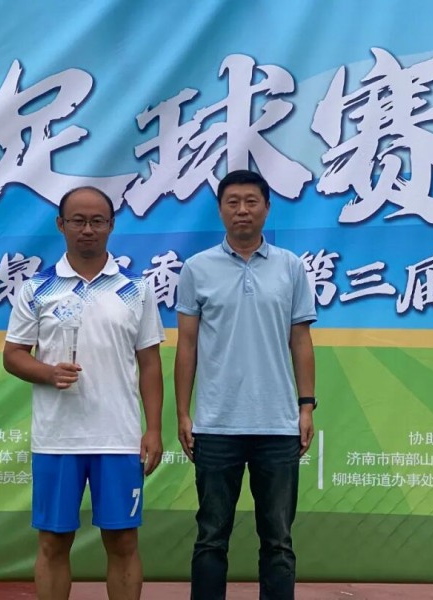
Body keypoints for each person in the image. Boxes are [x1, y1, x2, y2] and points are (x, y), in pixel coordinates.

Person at [3, 186, 165, 600]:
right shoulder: (37, 288)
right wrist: (48, 372)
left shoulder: (136, 289)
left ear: (111, 225)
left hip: (118, 439)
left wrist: (153, 430)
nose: (87, 229)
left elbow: (150, 364)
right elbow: (13, 356)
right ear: (61, 225)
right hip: (58, 440)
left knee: (123, 541)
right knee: (53, 542)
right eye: (78, 220)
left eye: (97, 221)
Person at [174, 170, 317, 600]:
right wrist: (183, 413)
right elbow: (186, 346)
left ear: (267, 208)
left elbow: (301, 340)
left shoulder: (290, 267)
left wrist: (305, 406)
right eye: (232, 201)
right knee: (211, 537)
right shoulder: (196, 268)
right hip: (216, 424)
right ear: (220, 210)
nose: (242, 210)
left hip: (277, 425)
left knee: (278, 540)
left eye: (251, 201)